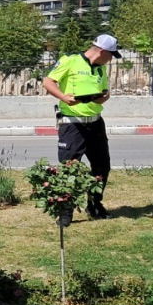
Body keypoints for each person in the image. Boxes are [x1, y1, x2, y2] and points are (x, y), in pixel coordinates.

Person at [43, 34, 120, 221]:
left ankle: (94, 205)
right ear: (101, 51)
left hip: (95, 123)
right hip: (72, 123)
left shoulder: (100, 70)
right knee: (70, 168)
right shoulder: (70, 61)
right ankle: (65, 210)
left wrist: (104, 97)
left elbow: (103, 91)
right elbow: (48, 81)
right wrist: (63, 97)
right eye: (110, 55)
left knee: (102, 166)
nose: (111, 59)